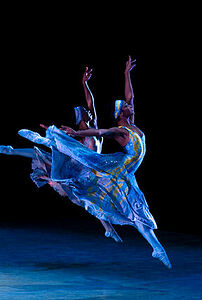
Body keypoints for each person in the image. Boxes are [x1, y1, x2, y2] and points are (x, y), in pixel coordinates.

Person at [18, 56, 171, 268]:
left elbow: (129, 97)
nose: (131, 106)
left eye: (129, 105)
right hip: (109, 168)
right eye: (127, 106)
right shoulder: (119, 131)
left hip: (120, 171)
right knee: (98, 198)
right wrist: (75, 131)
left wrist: (126, 73)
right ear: (120, 114)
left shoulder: (130, 125)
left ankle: (155, 247)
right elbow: (100, 131)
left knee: (134, 208)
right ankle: (44, 139)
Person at [0, 67, 121, 242]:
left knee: (89, 201)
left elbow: (91, 102)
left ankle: (108, 228)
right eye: (85, 112)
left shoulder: (94, 127)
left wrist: (85, 83)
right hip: (78, 169)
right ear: (80, 118)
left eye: (88, 111)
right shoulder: (78, 134)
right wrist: (55, 134)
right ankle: (13, 150)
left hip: (92, 170)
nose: (89, 111)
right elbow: (72, 147)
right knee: (45, 155)